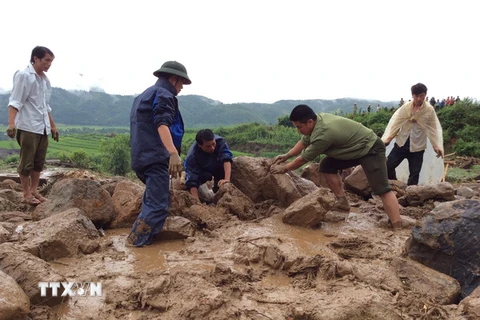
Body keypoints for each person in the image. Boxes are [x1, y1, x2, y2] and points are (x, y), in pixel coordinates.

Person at [270, 104, 402, 229]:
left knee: (382, 189)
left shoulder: (324, 133)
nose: (298, 131)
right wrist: (286, 155)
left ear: (309, 122)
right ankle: (342, 202)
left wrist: (285, 168)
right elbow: (303, 142)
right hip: (353, 149)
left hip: (370, 148)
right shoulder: (316, 123)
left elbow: (303, 159)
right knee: (327, 165)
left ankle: (397, 225)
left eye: (299, 127)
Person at [127, 61, 191, 247]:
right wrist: (172, 153)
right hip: (154, 157)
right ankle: (135, 245)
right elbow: (162, 123)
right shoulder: (164, 94)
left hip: (142, 156)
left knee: (152, 200)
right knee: (157, 206)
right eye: (180, 84)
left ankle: (144, 242)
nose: (181, 88)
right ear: (172, 78)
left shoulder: (143, 96)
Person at [6, 46, 59, 205]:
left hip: (42, 127)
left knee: (38, 162)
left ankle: (35, 190)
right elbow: (15, 102)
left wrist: (53, 126)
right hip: (28, 126)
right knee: (27, 163)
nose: (49, 64)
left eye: (51, 61)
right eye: (46, 60)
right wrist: (11, 123)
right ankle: (26, 193)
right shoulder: (24, 76)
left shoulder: (45, 80)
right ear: (36, 58)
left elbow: (45, 106)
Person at [382, 83, 443, 186]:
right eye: (416, 96)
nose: (419, 98)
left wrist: (436, 145)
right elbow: (396, 123)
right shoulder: (406, 108)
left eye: (421, 96)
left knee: (414, 174)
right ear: (412, 95)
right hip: (401, 143)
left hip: (418, 147)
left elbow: (433, 129)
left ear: (425, 95)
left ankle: (410, 196)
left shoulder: (429, 110)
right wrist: (388, 138)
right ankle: (395, 184)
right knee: (388, 166)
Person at [184, 129, 233, 199]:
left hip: (218, 167)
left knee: (226, 169)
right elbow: (192, 179)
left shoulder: (219, 142)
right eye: (208, 146)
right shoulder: (192, 156)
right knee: (194, 181)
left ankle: (216, 191)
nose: (212, 148)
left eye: (213, 144)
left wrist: (227, 180)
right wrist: (196, 202)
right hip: (202, 170)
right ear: (200, 145)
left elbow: (226, 158)